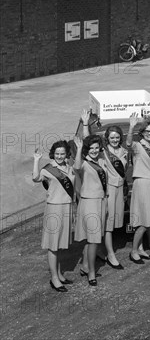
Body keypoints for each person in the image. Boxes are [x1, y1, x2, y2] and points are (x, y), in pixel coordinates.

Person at [81, 109, 127, 269]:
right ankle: (110, 254)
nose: (115, 140)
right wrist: (85, 123)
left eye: (117, 137)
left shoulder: (124, 151)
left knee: (112, 223)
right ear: (107, 139)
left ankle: (101, 249)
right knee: (108, 224)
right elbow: (88, 142)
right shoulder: (102, 153)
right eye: (111, 137)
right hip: (108, 191)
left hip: (120, 190)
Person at [33, 141, 76, 292]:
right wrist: (37, 160)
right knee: (53, 245)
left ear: (66, 155)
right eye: (57, 153)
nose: (59, 156)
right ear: (53, 154)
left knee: (60, 244)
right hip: (54, 209)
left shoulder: (69, 167)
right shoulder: (49, 169)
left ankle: (58, 273)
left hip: (66, 207)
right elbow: (36, 178)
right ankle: (54, 278)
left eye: (62, 153)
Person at [126, 115, 150, 263]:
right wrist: (131, 127)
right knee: (143, 221)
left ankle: (141, 249)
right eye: (147, 131)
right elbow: (128, 143)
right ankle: (133, 251)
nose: (149, 133)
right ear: (141, 132)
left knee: (146, 218)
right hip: (141, 183)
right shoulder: (137, 145)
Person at [73, 134, 108, 286]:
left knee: (91, 238)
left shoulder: (101, 160)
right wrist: (80, 148)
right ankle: (92, 273)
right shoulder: (84, 163)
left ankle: (85, 266)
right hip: (89, 203)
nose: (94, 151)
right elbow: (76, 167)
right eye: (91, 148)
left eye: (96, 148)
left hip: (100, 201)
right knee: (94, 239)